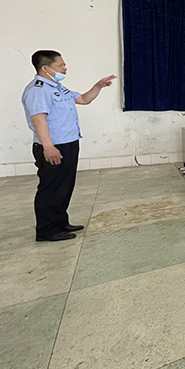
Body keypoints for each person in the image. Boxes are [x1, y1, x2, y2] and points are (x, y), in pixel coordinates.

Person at [21, 50, 116, 242]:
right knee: (51, 188)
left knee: (64, 187)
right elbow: (39, 120)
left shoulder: (57, 87)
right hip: (53, 146)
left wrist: (98, 86)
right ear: (46, 68)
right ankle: (47, 230)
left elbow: (83, 99)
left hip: (68, 144)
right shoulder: (38, 90)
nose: (65, 68)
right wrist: (48, 147)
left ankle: (60, 223)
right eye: (61, 65)